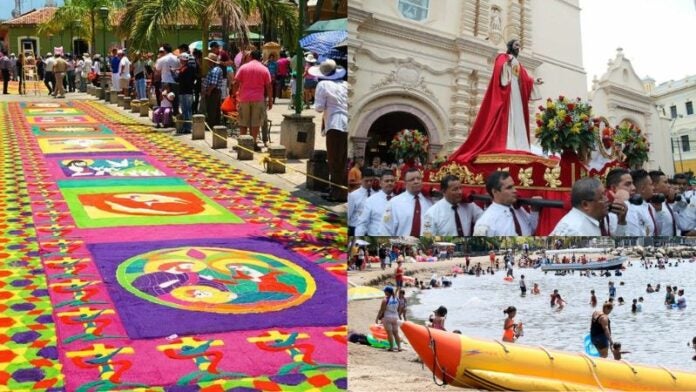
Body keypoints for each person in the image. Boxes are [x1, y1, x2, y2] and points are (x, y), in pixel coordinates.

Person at [448, 39, 542, 163]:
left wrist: (535, 81)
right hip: (508, 90)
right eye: (516, 45)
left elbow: (525, 78)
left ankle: (519, 145)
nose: (518, 47)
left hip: (517, 93)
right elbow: (499, 69)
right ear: (510, 46)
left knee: (518, 117)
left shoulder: (518, 63)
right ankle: (508, 143)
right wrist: (506, 65)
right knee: (508, 117)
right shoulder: (503, 57)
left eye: (519, 45)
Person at [311, 59, 348, 202]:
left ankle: (337, 192)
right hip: (346, 123)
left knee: (334, 160)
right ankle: (339, 189)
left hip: (335, 124)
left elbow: (319, 107)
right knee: (344, 159)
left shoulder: (323, 85)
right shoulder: (345, 84)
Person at [473, 171, 539, 236]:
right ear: (495, 192)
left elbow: (531, 230)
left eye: (513, 186)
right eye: (509, 188)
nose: (515, 190)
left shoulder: (517, 209)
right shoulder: (485, 223)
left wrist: (534, 211)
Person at [233, 50, 272, 151]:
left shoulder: (243, 67)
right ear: (260, 58)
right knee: (256, 123)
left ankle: (242, 143)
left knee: (243, 121)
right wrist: (270, 100)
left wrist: (234, 95)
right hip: (258, 99)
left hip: (244, 98)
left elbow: (236, 83)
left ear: (250, 56)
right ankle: (253, 143)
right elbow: (269, 86)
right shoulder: (264, 69)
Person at [382, 168, 433, 236]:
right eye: (412, 179)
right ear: (405, 184)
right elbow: (386, 229)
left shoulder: (430, 202)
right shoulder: (394, 203)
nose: (416, 181)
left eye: (418, 178)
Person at [355, 170, 396, 236]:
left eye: (392, 181)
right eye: (387, 181)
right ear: (380, 183)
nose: (390, 183)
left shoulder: (399, 201)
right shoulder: (371, 200)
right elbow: (362, 223)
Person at [629, 169, 658, 236]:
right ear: (643, 189)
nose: (653, 188)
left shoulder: (650, 206)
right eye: (651, 184)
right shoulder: (633, 209)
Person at [375, 286, 402, 352]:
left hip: (387, 318)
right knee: (396, 333)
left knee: (389, 333)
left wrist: (377, 318)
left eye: (385, 291)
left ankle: (391, 347)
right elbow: (399, 308)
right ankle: (399, 347)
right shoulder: (397, 299)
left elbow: (382, 310)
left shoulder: (385, 300)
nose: (384, 292)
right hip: (395, 317)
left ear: (387, 292)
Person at [174, 53, 195, 134]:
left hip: (184, 92)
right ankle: (188, 127)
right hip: (189, 91)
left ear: (183, 60)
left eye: (180, 59)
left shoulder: (183, 69)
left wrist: (174, 73)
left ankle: (187, 128)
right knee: (188, 110)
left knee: (185, 110)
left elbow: (177, 79)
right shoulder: (191, 68)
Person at [202, 53, 224, 128]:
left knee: (211, 109)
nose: (207, 62)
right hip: (215, 91)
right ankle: (215, 125)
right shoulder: (215, 69)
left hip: (213, 92)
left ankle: (211, 125)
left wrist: (208, 91)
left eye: (208, 61)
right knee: (215, 109)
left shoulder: (214, 70)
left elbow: (213, 84)